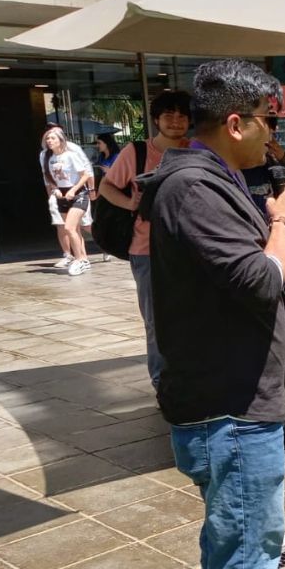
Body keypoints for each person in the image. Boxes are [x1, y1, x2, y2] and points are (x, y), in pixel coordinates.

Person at [140, 59, 285, 569]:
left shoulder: (209, 180)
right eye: (269, 121)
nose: (275, 133)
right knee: (247, 541)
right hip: (229, 407)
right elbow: (261, 280)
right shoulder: (194, 186)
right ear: (236, 122)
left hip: (229, 398)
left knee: (234, 540)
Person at [99, 90, 191, 392]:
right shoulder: (137, 152)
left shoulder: (196, 150)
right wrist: (130, 204)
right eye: (169, 115)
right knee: (156, 320)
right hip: (146, 250)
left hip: (190, 249)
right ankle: (162, 382)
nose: (176, 121)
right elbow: (107, 186)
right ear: (156, 119)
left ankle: (189, 375)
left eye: (182, 115)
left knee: (190, 315)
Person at [40, 127, 93, 275]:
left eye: (53, 138)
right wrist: (54, 188)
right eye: (48, 139)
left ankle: (79, 260)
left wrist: (74, 190)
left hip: (77, 194)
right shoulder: (48, 158)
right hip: (62, 195)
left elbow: (85, 175)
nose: (49, 141)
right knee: (74, 229)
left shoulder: (71, 155)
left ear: (61, 140)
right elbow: (49, 177)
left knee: (69, 227)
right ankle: (83, 259)